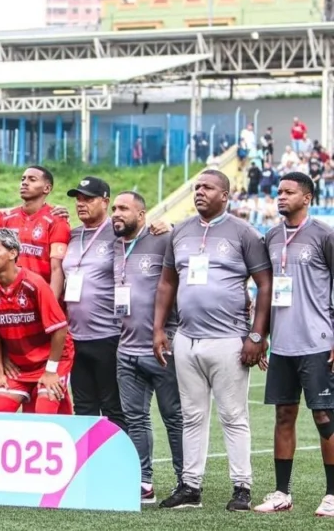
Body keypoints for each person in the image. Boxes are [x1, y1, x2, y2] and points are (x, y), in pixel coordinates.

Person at [154, 168, 273, 511]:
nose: (199, 192)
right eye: (196, 187)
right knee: (192, 415)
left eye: (207, 187)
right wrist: (159, 329)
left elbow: (264, 285)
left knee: (233, 417)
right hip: (187, 339)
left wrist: (256, 334)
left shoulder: (244, 232)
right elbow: (166, 284)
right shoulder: (180, 232)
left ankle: (242, 487)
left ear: (226, 194)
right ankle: (190, 487)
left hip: (228, 340)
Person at [253, 172, 334, 517]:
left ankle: (332, 495)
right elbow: (265, 289)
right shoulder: (271, 236)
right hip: (282, 346)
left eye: (289, 192)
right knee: (283, 416)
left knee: (325, 417)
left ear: (308, 197)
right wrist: (262, 336)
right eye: (278, 192)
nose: (280, 197)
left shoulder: (324, 235)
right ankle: (281, 493)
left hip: (318, 341)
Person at [111, 191, 183, 504]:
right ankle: (144, 482)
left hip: (162, 346)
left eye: (124, 208)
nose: (116, 213)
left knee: (174, 417)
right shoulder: (111, 244)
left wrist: (174, 226)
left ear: (142, 215)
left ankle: (186, 481)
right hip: (126, 349)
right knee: (135, 418)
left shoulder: (164, 239)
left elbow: (194, 242)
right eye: (114, 208)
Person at [0, 228, 71, 414]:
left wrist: (51, 371)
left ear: (13, 253)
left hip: (51, 359)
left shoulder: (34, 284)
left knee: (44, 413)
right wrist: (0, 371)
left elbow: (60, 329)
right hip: (19, 365)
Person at [62, 177, 126, 430]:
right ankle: (89, 467)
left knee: (114, 408)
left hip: (109, 334)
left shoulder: (118, 232)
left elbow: (147, 231)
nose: (80, 203)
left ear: (105, 202)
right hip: (76, 336)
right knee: (84, 408)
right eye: (77, 198)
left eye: (88, 198)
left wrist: (165, 226)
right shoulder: (71, 234)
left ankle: (122, 467)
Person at [1, 166, 70, 296]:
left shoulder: (57, 220)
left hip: (40, 297)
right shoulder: (7, 218)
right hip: (9, 299)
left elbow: (57, 269)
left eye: (32, 179)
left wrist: (51, 306)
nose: (25, 183)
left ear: (47, 188)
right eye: (23, 179)